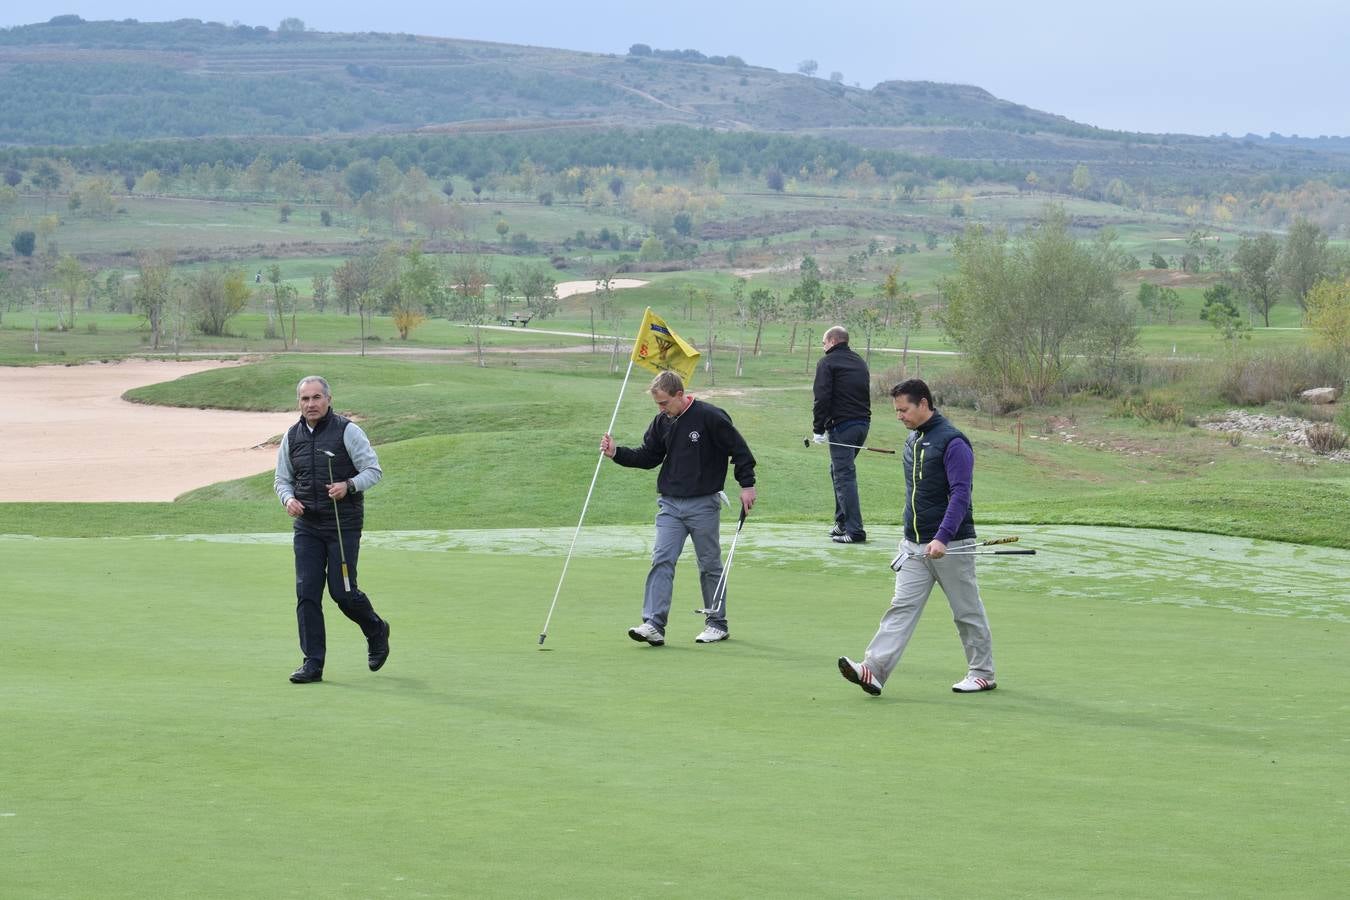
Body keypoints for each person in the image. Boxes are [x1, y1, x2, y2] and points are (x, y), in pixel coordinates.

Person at [838, 378, 996, 696]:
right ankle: (874, 669)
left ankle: (982, 672)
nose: (899, 416)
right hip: (913, 546)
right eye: (896, 410)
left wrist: (942, 537)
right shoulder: (914, 440)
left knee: (966, 610)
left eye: (904, 409)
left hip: (950, 545)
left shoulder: (953, 442)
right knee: (901, 607)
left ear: (923, 403)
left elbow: (961, 494)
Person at [600, 370, 757, 646]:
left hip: (704, 503)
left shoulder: (710, 416)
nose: (661, 409)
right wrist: (616, 453)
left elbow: (740, 450)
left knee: (709, 564)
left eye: (664, 403)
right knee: (662, 559)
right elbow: (648, 456)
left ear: (679, 395)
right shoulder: (662, 422)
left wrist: (747, 485)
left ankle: (716, 623)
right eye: (657, 404)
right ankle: (653, 624)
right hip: (670, 504)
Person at [273, 375, 390, 683]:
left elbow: (373, 471)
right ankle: (313, 663)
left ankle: (376, 629)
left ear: (328, 399)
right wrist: (288, 500)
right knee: (307, 593)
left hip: (342, 525)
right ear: (299, 402)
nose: (310, 404)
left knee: (343, 593)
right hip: (307, 527)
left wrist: (348, 485)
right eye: (304, 399)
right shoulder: (291, 436)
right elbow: (282, 480)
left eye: (316, 398)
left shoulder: (348, 431)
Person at [812, 324, 872, 544]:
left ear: (833, 341)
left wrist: (818, 429)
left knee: (844, 476)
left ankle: (855, 531)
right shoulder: (859, 361)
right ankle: (842, 522)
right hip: (862, 426)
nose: (823, 346)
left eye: (824, 342)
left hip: (842, 427)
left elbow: (822, 397)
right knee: (837, 470)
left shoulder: (827, 362)